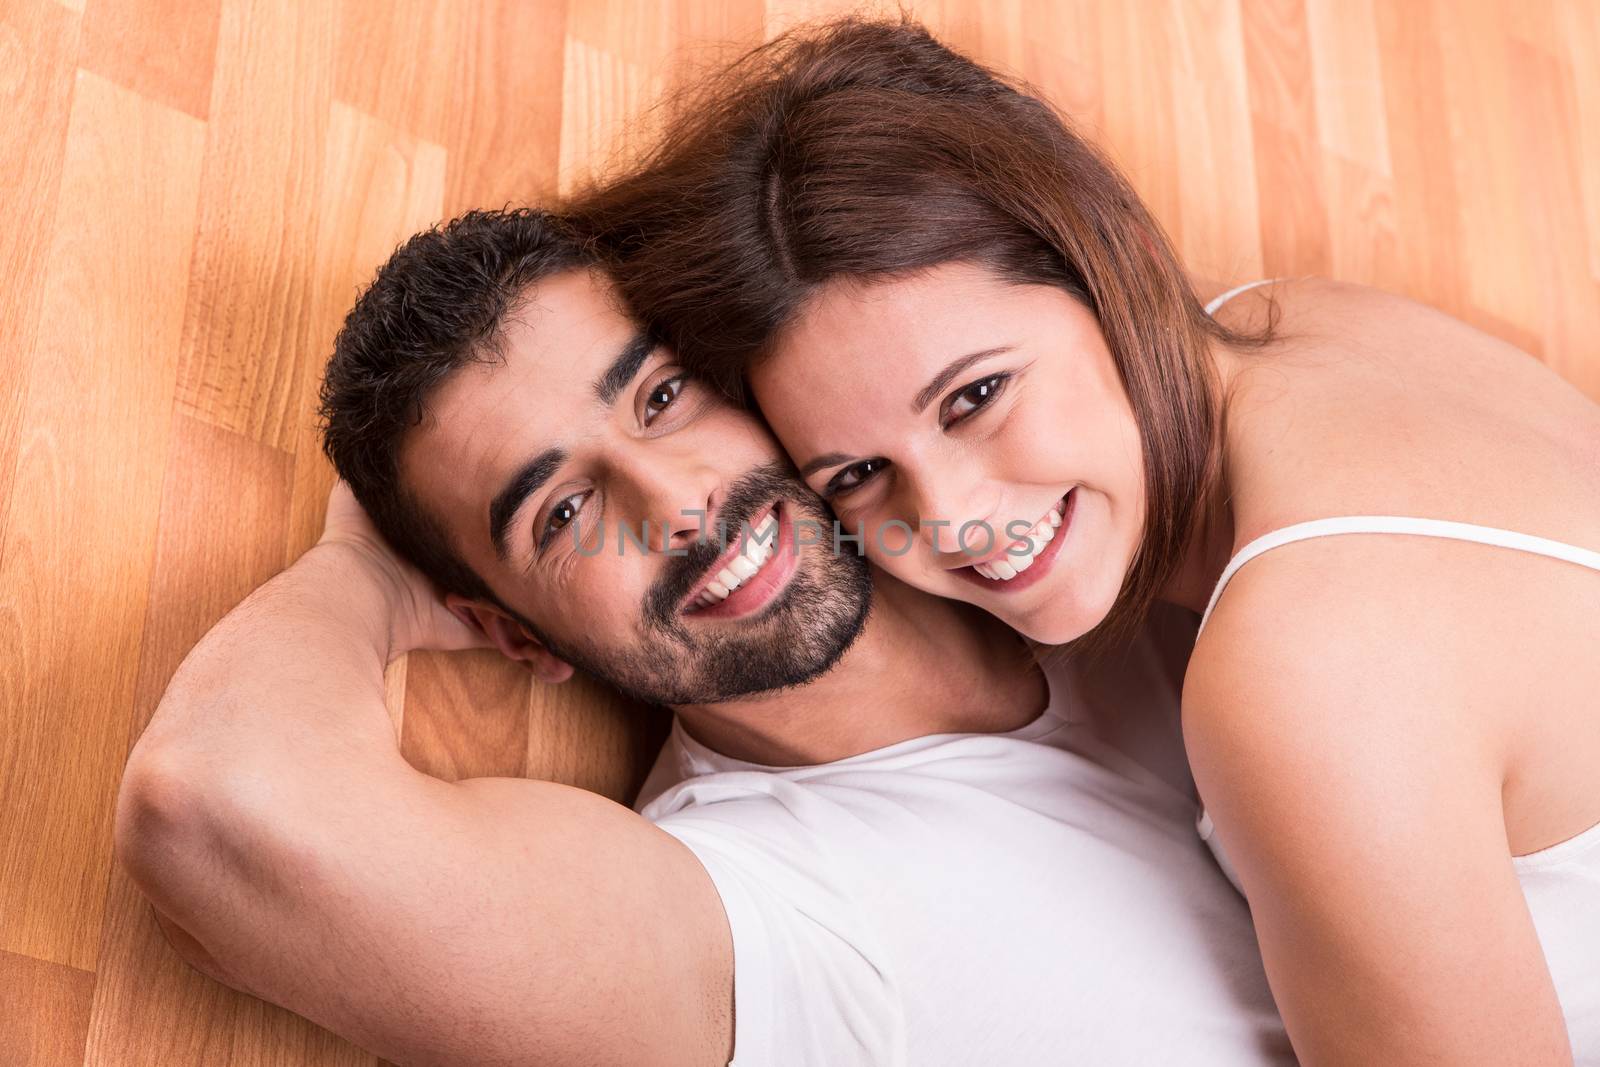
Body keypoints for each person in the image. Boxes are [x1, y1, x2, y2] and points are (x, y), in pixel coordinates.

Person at [577, 17, 1600, 1066]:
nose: (952, 516)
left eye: (974, 397)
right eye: (856, 475)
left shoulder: (1305, 674)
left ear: (1110, 258)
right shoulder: (1296, 321)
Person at [115, 209, 1293, 1066]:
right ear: (510, 629)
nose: (676, 506)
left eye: (665, 397)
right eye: (564, 512)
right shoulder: (755, 910)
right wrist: (358, 571)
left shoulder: (1064, 510)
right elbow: (216, 806)